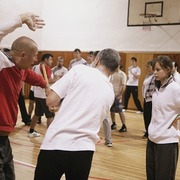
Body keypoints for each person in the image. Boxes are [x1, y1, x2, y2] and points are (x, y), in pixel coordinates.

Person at [34, 48, 120, 180]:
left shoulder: (79, 70)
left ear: (97, 60)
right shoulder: (110, 92)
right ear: (115, 69)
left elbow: (51, 100)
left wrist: (49, 93)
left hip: (57, 142)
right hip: (84, 150)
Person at [0, 13, 47, 180]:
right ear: (23, 55)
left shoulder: (20, 68)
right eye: (34, 55)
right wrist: (21, 18)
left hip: (4, 140)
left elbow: (34, 78)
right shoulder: (2, 63)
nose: (36, 60)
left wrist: (47, 87)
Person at [146, 56, 180, 180]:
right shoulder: (157, 88)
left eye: (158, 69)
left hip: (167, 141)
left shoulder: (175, 88)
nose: (154, 72)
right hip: (152, 139)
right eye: (154, 69)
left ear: (167, 70)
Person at [28, 53, 58, 137]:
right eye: (51, 59)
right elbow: (48, 80)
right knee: (50, 116)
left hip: (37, 94)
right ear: (46, 59)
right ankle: (50, 136)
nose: (52, 61)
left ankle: (31, 131)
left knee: (37, 114)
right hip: (45, 95)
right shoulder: (45, 67)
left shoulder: (36, 66)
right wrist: (57, 79)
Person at [110, 64, 127, 132]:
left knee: (120, 111)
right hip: (111, 94)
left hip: (118, 95)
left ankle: (124, 125)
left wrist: (120, 94)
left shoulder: (122, 74)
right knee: (112, 110)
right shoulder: (112, 73)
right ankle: (114, 123)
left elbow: (124, 85)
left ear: (119, 65)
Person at [142, 60, 155, 138]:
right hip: (146, 99)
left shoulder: (154, 76)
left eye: (148, 66)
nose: (147, 68)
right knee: (146, 116)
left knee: (150, 116)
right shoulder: (147, 75)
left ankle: (150, 132)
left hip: (151, 100)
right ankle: (147, 131)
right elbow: (144, 86)